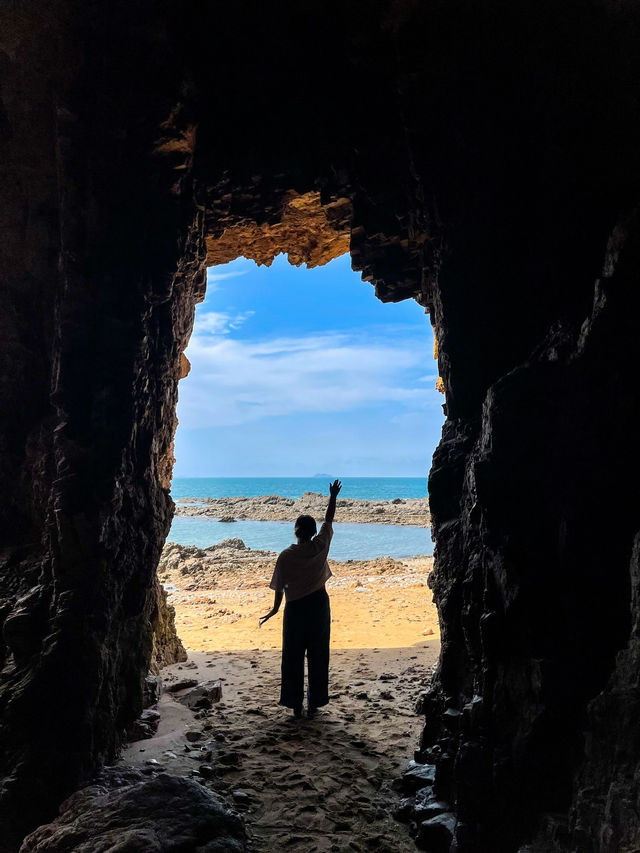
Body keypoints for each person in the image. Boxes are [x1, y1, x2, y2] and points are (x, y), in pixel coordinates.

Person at [259, 479, 342, 717]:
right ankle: (314, 703)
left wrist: (274, 610)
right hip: (318, 607)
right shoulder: (320, 546)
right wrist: (333, 497)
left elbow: (279, 588)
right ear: (313, 532)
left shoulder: (286, 556)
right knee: (318, 655)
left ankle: (295, 705)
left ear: (295, 531)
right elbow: (329, 520)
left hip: (294, 610)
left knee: (292, 657)